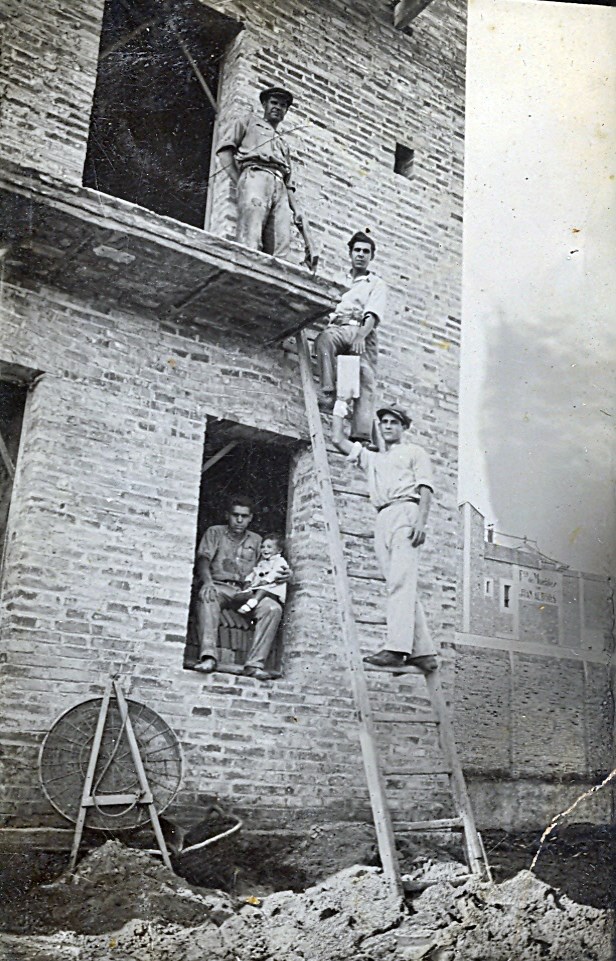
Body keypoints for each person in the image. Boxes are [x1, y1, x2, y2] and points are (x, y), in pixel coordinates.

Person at [331, 405, 438, 673]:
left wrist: (420, 522)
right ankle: (423, 652)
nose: (388, 426)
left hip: (406, 511)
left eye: (394, 422)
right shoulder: (373, 459)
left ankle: (396, 649)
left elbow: (425, 489)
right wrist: (339, 411)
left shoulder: (414, 452)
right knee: (398, 583)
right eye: (384, 422)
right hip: (382, 516)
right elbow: (338, 441)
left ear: (403, 427)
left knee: (400, 583)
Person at [193, 496, 289, 681]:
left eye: (244, 516)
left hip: (247, 591)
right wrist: (207, 582)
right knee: (208, 597)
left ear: (250, 518)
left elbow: (270, 565)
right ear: (227, 515)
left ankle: (254, 665)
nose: (239, 520)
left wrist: (285, 574)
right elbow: (203, 559)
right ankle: (208, 657)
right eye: (235, 515)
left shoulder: (257, 540)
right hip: (220, 586)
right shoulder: (215, 532)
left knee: (272, 608)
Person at [314, 231, 387, 443]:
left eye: (366, 252)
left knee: (365, 375)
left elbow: (373, 313)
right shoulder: (340, 280)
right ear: (350, 253)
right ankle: (328, 391)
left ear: (371, 256)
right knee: (323, 340)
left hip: (361, 328)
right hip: (338, 327)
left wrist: (361, 336)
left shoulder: (375, 283)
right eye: (357, 250)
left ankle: (361, 434)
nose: (361, 255)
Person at [216, 86, 303, 259]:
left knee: (281, 236)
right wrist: (240, 181)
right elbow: (225, 151)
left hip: (280, 186)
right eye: (274, 103)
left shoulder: (283, 143)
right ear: (264, 104)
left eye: (283, 105)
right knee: (252, 233)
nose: (277, 108)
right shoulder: (248, 122)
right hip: (255, 175)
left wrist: (298, 210)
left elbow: (289, 183)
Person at [229, 533, 291, 615]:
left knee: (262, 590)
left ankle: (251, 604)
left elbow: (276, 571)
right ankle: (244, 600)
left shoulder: (279, 561)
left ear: (279, 550)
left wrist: (267, 580)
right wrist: (249, 580)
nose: (265, 549)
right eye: (262, 547)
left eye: (269, 547)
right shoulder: (262, 563)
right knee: (245, 593)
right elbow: (255, 572)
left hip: (273, 589)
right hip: (260, 587)